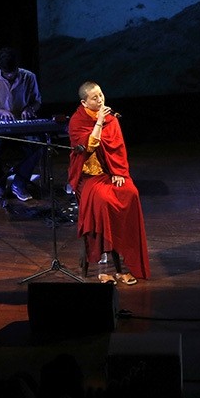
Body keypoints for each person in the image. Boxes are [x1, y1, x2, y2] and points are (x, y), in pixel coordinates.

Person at [67, 81, 150, 284]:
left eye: (101, 95)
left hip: (109, 173)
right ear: (84, 102)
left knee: (130, 192)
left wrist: (118, 171)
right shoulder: (77, 121)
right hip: (87, 178)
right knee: (103, 201)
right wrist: (99, 121)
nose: (100, 99)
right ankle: (101, 266)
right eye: (95, 98)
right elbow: (88, 146)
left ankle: (128, 257)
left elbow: (118, 148)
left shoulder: (112, 119)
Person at [0, 46, 43, 202]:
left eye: (13, 71)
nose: (11, 75)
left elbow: (37, 101)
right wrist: (0, 112)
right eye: (7, 73)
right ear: (0, 69)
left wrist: (29, 109)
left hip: (22, 125)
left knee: (36, 147)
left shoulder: (28, 77)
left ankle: (19, 184)